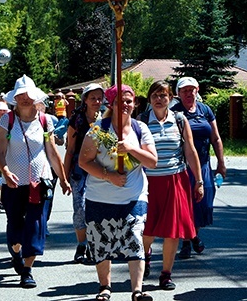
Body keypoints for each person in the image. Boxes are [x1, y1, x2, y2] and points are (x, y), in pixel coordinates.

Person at [78, 84, 158, 301]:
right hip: (100, 197)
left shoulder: (140, 128)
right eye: (119, 101)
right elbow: (84, 161)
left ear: (135, 104)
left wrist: (132, 149)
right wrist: (108, 176)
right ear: (111, 104)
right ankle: (105, 287)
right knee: (101, 244)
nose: (125, 105)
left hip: (133, 197)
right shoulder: (98, 130)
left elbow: (152, 161)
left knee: (135, 239)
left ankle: (137, 291)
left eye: (129, 101)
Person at [0, 75, 71, 288]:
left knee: (36, 224)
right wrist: (6, 171)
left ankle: (27, 270)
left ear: (35, 96)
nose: (25, 98)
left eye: (28, 94)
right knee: (15, 228)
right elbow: (0, 151)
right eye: (21, 95)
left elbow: (52, 152)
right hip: (13, 183)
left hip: (40, 182)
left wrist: (63, 179)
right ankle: (17, 253)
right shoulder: (7, 121)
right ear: (15, 98)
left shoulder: (45, 121)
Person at [138, 81, 204, 290]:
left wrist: (199, 180)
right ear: (149, 99)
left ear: (170, 98)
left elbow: (190, 152)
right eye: (155, 95)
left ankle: (166, 273)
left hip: (176, 180)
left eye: (163, 95)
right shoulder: (139, 122)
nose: (159, 99)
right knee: (146, 230)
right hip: (147, 183)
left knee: (172, 231)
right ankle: (145, 256)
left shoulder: (179, 120)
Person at [171, 76, 226, 258]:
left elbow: (216, 138)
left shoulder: (205, 110)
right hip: (182, 166)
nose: (189, 93)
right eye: (184, 90)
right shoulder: (174, 112)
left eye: (191, 90)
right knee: (185, 204)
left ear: (197, 90)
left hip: (203, 164)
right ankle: (187, 242)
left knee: (203, 202)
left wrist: (221, 163)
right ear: (178, 93)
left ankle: (194, 234)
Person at [63, 83, 104, 264]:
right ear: (85, 100)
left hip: (101, 168)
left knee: (98, 209)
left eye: (99, 98)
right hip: (79, 170)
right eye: (92, 98)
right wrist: (64, 178)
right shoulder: (77, 120)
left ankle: (95, 245)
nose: (96, 101)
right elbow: (70, 150)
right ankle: (82, 244)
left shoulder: (107, 118)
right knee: (80, 209)